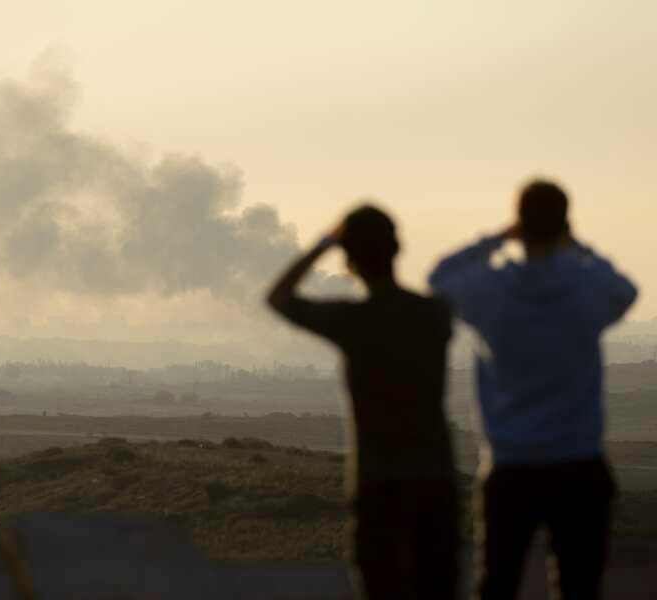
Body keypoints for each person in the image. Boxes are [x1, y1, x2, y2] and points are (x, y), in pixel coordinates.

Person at [428, 180, 638, 600]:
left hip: (510, 465)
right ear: (565, 223)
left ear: (519, 224)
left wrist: (495, 240)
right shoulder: (586, 287)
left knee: (498, 585)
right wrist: (578, 247)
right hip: (579, 462)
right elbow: (625, 290)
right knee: (580, 588)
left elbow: (440, 277)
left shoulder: (490, 290)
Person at [266, 205, 459, 600]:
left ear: (351, 262)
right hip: (436, 479)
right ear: (397, 249)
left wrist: (325, 242)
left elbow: (279, 297)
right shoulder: (435, 314)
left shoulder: (353, 321)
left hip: (379, 484)